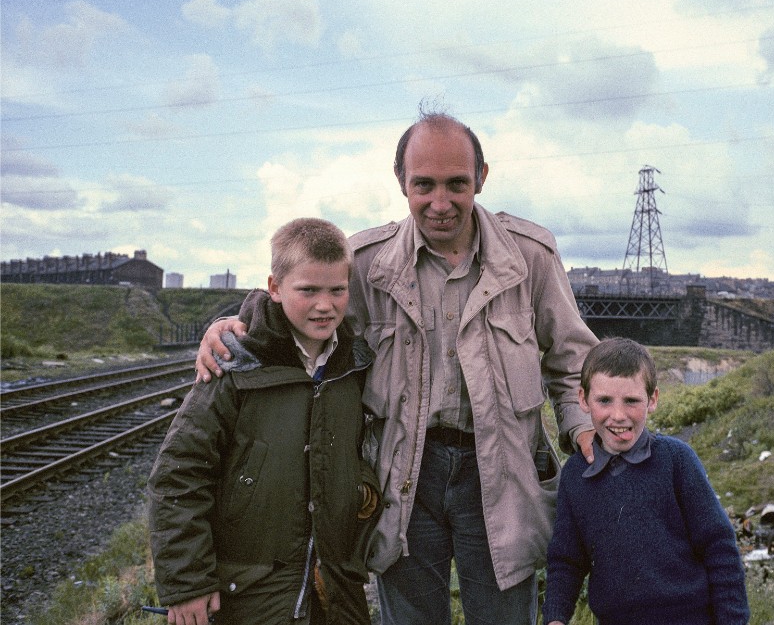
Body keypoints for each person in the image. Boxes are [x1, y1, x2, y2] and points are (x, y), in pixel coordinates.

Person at [195, 108, 600, 624]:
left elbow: (574, 361)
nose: (440, 202)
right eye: (423, 185)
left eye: (457, 184)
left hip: (502, 473)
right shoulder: (366, 264)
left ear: (481, 177)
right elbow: (303, 312)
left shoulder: (529, 257)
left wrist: (584, 429)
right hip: (403, 476)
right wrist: (234, 324)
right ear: (401, 182)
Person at [149, 218, 382, 625]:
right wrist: (188, 584)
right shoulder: (234, 366)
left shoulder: (356, 364)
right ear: (274, 288)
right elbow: (179, 475)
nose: (324, 305)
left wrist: (360, 485)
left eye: (337, 290)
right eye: (307, 290)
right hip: (251, 595)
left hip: (336, 591)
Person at [541, 336, 750, 625]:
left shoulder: (678, 460)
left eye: (631, 401)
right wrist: (555, 618)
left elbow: (720, 548)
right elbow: (566, 561)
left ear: (652, 400)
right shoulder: (576, 475)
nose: (618, 415)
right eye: (604, 400)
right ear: (583, 400)